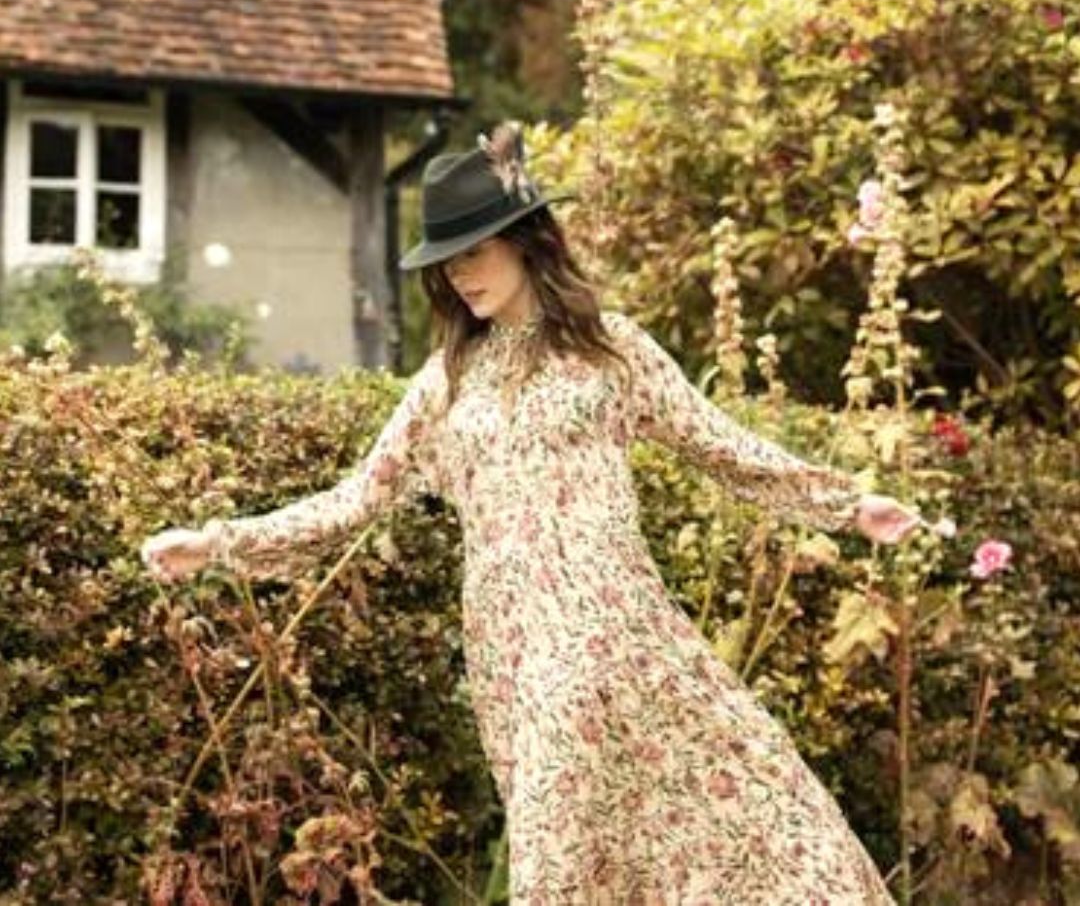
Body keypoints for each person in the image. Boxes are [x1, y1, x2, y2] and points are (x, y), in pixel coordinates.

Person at [142, 122, 917, 904]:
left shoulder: (611, 352)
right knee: (584, 849)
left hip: (614, 633)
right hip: (510, 651)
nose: (460, 276)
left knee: (722, 804)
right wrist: (218, 544)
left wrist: (848, 505)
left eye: (474, 252)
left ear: (525, 241)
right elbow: (357, 499)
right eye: (447, 262)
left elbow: (719, 444)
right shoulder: (447, 383)